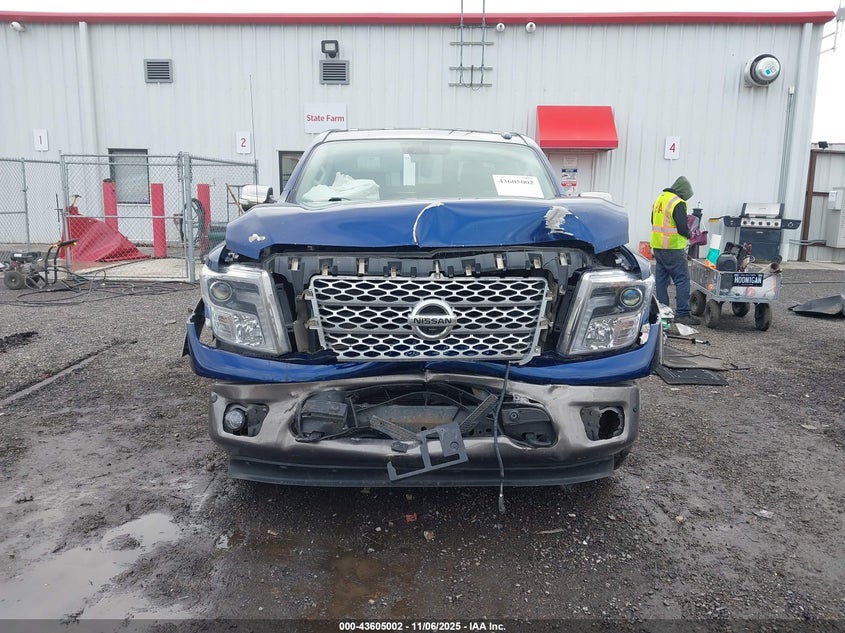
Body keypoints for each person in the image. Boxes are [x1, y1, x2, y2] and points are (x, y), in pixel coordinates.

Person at [650, 176, 700, 326]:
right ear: (683, 192)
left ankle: (662, 312)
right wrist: (691, 234)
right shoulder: (678, 203)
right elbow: (682, 228)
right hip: (673, 248)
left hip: (658, 247)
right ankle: (683, 313)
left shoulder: (660, 199)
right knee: (682, 280)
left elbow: (653, 221)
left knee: (661, 281)